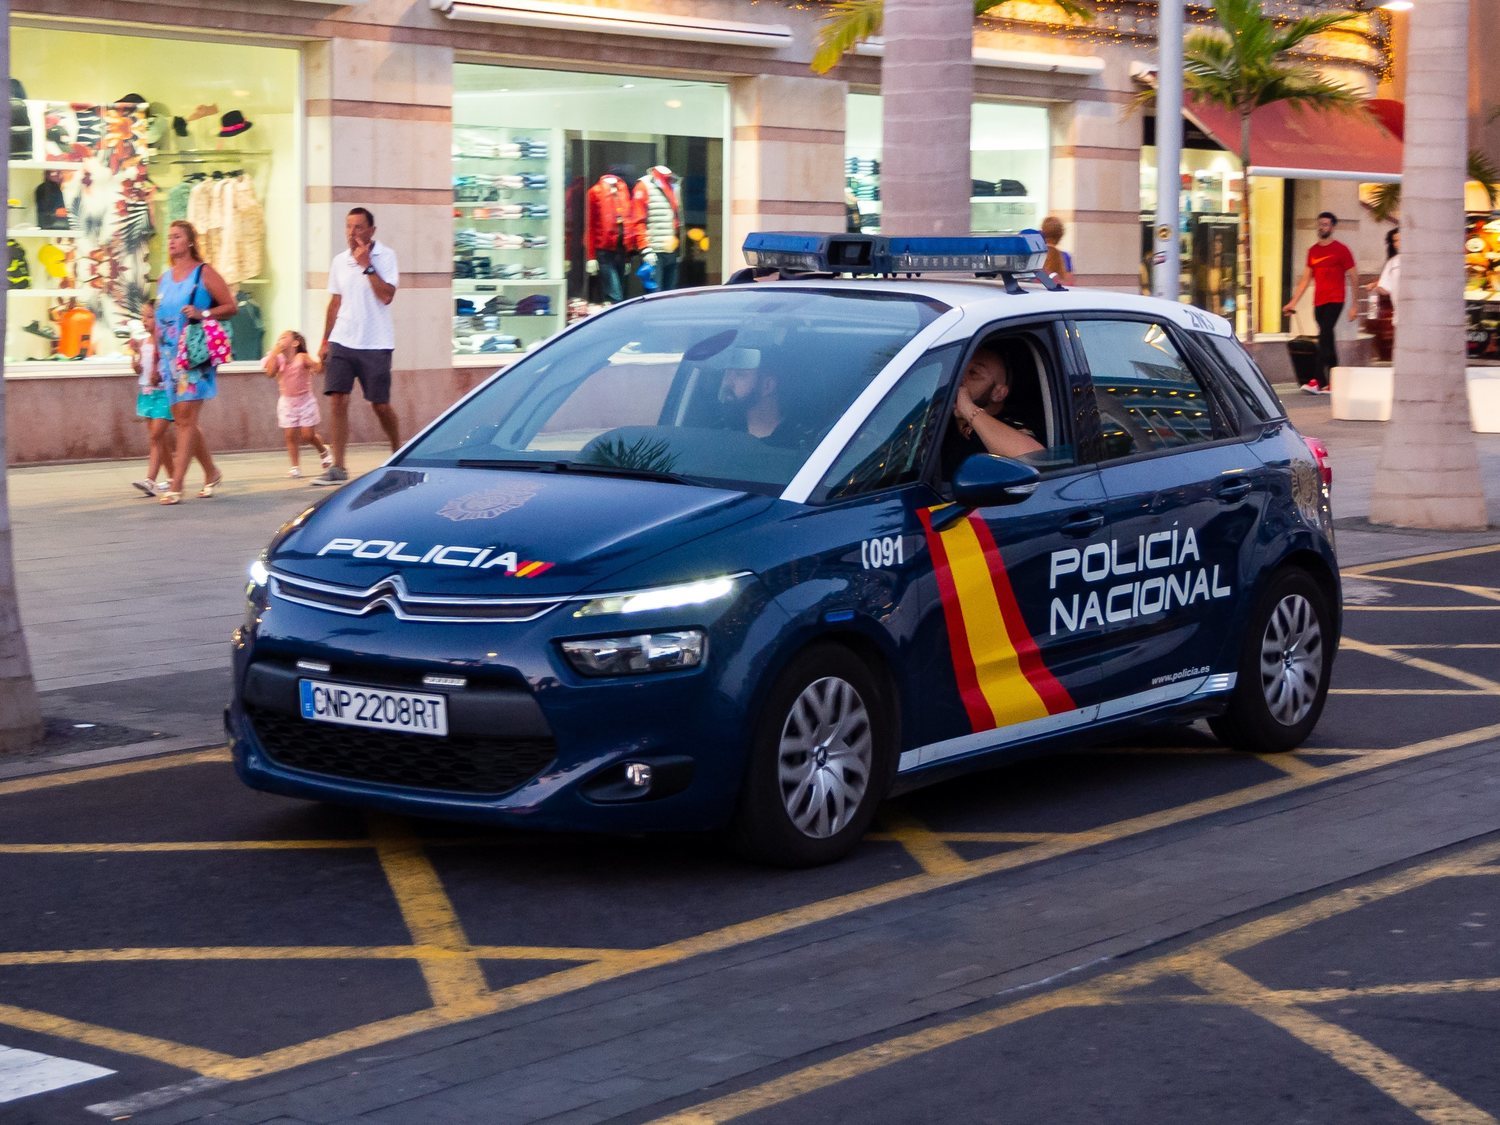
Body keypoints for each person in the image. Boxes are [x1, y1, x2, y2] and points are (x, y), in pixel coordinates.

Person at [314, 206, 400, 487]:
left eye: (359, 227)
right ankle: (338, 466)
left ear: (372, 230)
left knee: (380, 405)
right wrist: (325, 340)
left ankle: (399, 451)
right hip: (343, 339)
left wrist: (368, 266)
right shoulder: (340, 261)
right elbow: (335, 302)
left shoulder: (386, 256)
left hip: (376, 342)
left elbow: (387, 296)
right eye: (349, 227)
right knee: (337, 398)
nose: (352, 233)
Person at [156, 219, 235, 505]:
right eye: (169, 237)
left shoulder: (204, 273)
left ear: (190, 241)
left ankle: (176, 485)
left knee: (186, 418)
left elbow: (230, 306)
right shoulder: (164, 278)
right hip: (168, 356)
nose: (171, 242)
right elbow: (157, 319)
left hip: (193, 353)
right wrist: (154, 356)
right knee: (182, 419)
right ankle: (211, 472)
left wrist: (204, 313)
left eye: (177, 237)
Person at [1282, 211, 1357, 395]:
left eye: (1325, 224)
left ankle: (1317, 380)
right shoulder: (1313, 251)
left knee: (1324, 336)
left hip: (1336, 300)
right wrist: (1292, 302)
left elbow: (1354, 277)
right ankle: (1335, 381)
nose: (1322, 227)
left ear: (1332, 227)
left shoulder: (1342, 250)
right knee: (1327, 339)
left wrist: (1355, 305)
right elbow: (1305, 280)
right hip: (1319, 302)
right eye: (1320, 224)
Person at [946, 344, 1044, 470]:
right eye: (960, 370)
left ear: (998, 394)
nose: (960, 379)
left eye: (973, 373)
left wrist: (967, 408)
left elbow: (1036, 458)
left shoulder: (1010, 428)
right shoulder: (935, 415)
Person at [264, 330, 333, 479]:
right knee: (290, 435)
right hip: (287, 402)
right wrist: (274, 353)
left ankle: (323, 450)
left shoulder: (301, 357)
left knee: (307, 435)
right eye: (279, 337)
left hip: (305, 401)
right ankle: (295, 467)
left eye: (284, 337)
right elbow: (269, 373)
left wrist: (322, 361)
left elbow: (318, 369)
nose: (280, 340)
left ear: (295, 343)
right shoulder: (278, 358)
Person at [715, 347, 809, 447]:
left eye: (740, 375)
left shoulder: (799, 446)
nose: (727, 383)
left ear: (767, 385)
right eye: (726, 374)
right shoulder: (716, 434)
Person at [129, 300, 174, 497]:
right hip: (147, 393)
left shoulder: (165, 341)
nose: (144, 320)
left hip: (164, 393)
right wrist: (135, 360)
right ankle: (173, 478)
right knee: (159, 439)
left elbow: (172, 366)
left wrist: (162, 374)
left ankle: (150, 480)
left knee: (156, 435)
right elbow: (140, 369)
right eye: (143, 316)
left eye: (149, 316)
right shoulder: (145, 342)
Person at [1041, 215, 1074, 285]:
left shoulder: (1037, 255)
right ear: (1061, 235)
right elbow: (1070, 284)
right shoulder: (1065, 256)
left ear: (1043, 232)